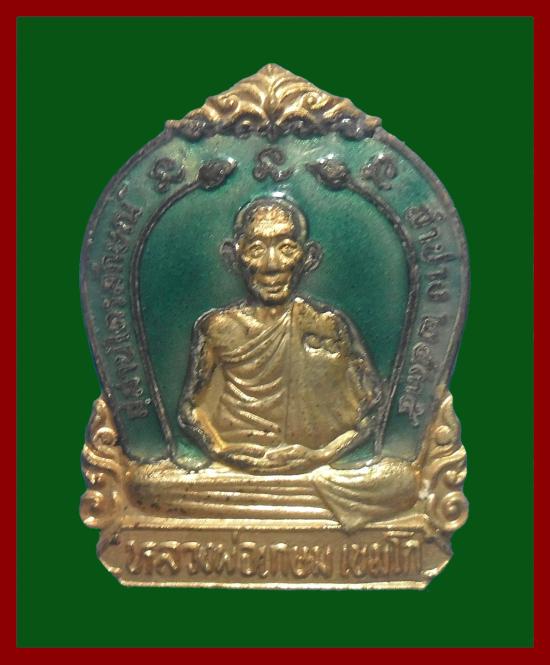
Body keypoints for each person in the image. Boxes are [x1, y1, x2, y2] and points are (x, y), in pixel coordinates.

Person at [178, 196, 383, 474]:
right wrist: (220, 451)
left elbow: (370, 413)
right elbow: (189, 411)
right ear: (233, 257)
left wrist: (320, 456)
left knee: (397, 479)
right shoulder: (218, 328)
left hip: (314, 470)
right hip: (232, 469)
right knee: (146, 483)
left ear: (309, 257)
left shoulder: (325, 326)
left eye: (286, 247)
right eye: (256, 249)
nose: (272, 264)